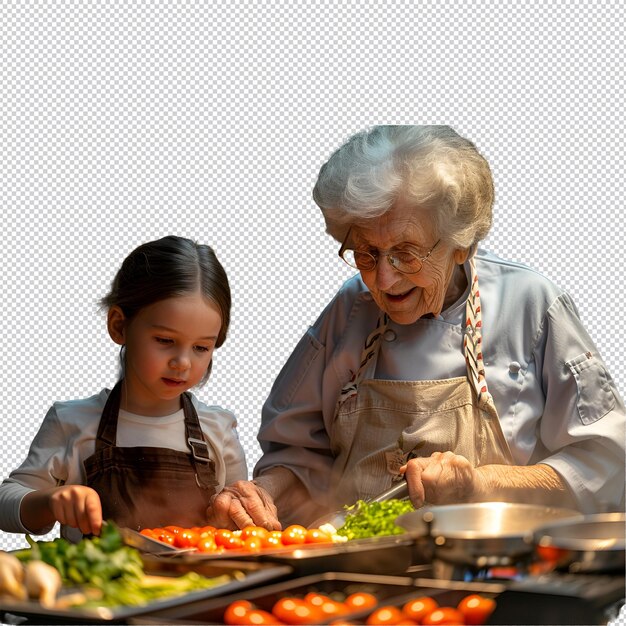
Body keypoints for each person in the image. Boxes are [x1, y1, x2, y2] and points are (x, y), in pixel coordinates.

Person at [207, 125, 625, 530]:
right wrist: (262, 492)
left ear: (461, 243)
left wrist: (483, 483)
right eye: (367, 253)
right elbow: (300, 455)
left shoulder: (531, 305)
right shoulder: (351, 308)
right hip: (357, 572)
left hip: (495, 572)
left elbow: (604, 466)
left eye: (406, 253)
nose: (383, 281)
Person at [0, 235, 247, 542]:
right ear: (119, 325)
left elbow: (241, 526)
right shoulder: (72, 422)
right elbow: (5, 502)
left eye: (201, 347)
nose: (182, 362)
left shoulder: (219, 429)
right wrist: (50, 502)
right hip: (97, 589)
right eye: (165, 341)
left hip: (200, 589)